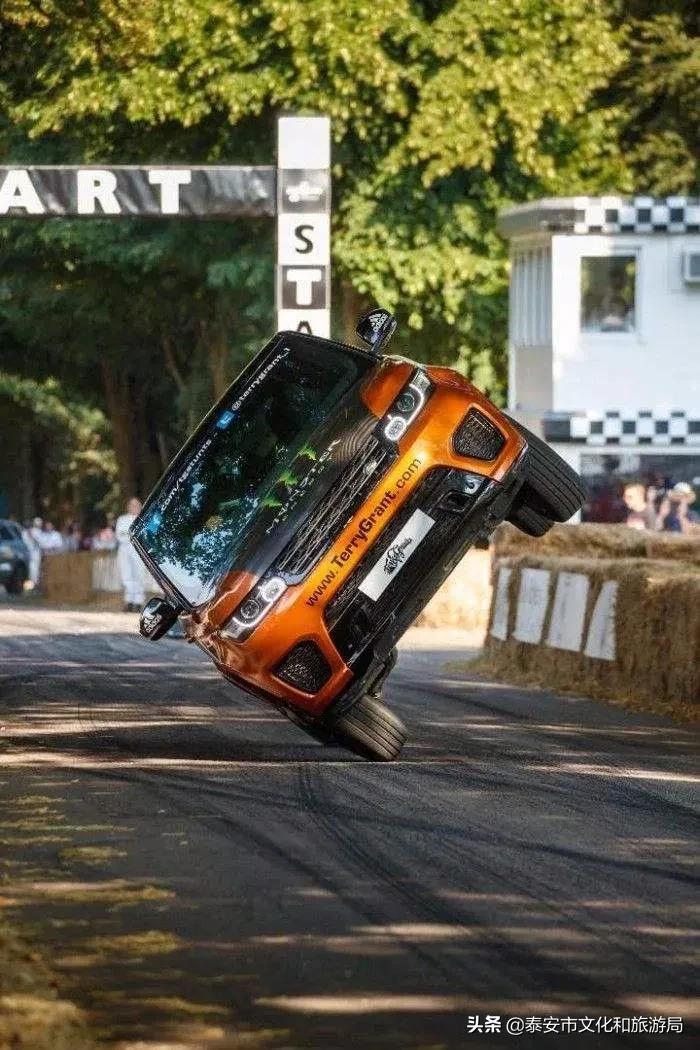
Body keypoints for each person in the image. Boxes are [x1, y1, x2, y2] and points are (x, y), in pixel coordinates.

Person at [115, 498, 146, 612]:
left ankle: (138, 602)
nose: (134, 507)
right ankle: (129, 601)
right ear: (128, 507)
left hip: (138, 549)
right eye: (132, 505)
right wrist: (129, 536)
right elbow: (119, 535)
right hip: (124, 548)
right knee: (126, 575)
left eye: (136, 505)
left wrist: (130, 535)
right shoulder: (122, 519)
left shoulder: (143, 519)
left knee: (139, 574)